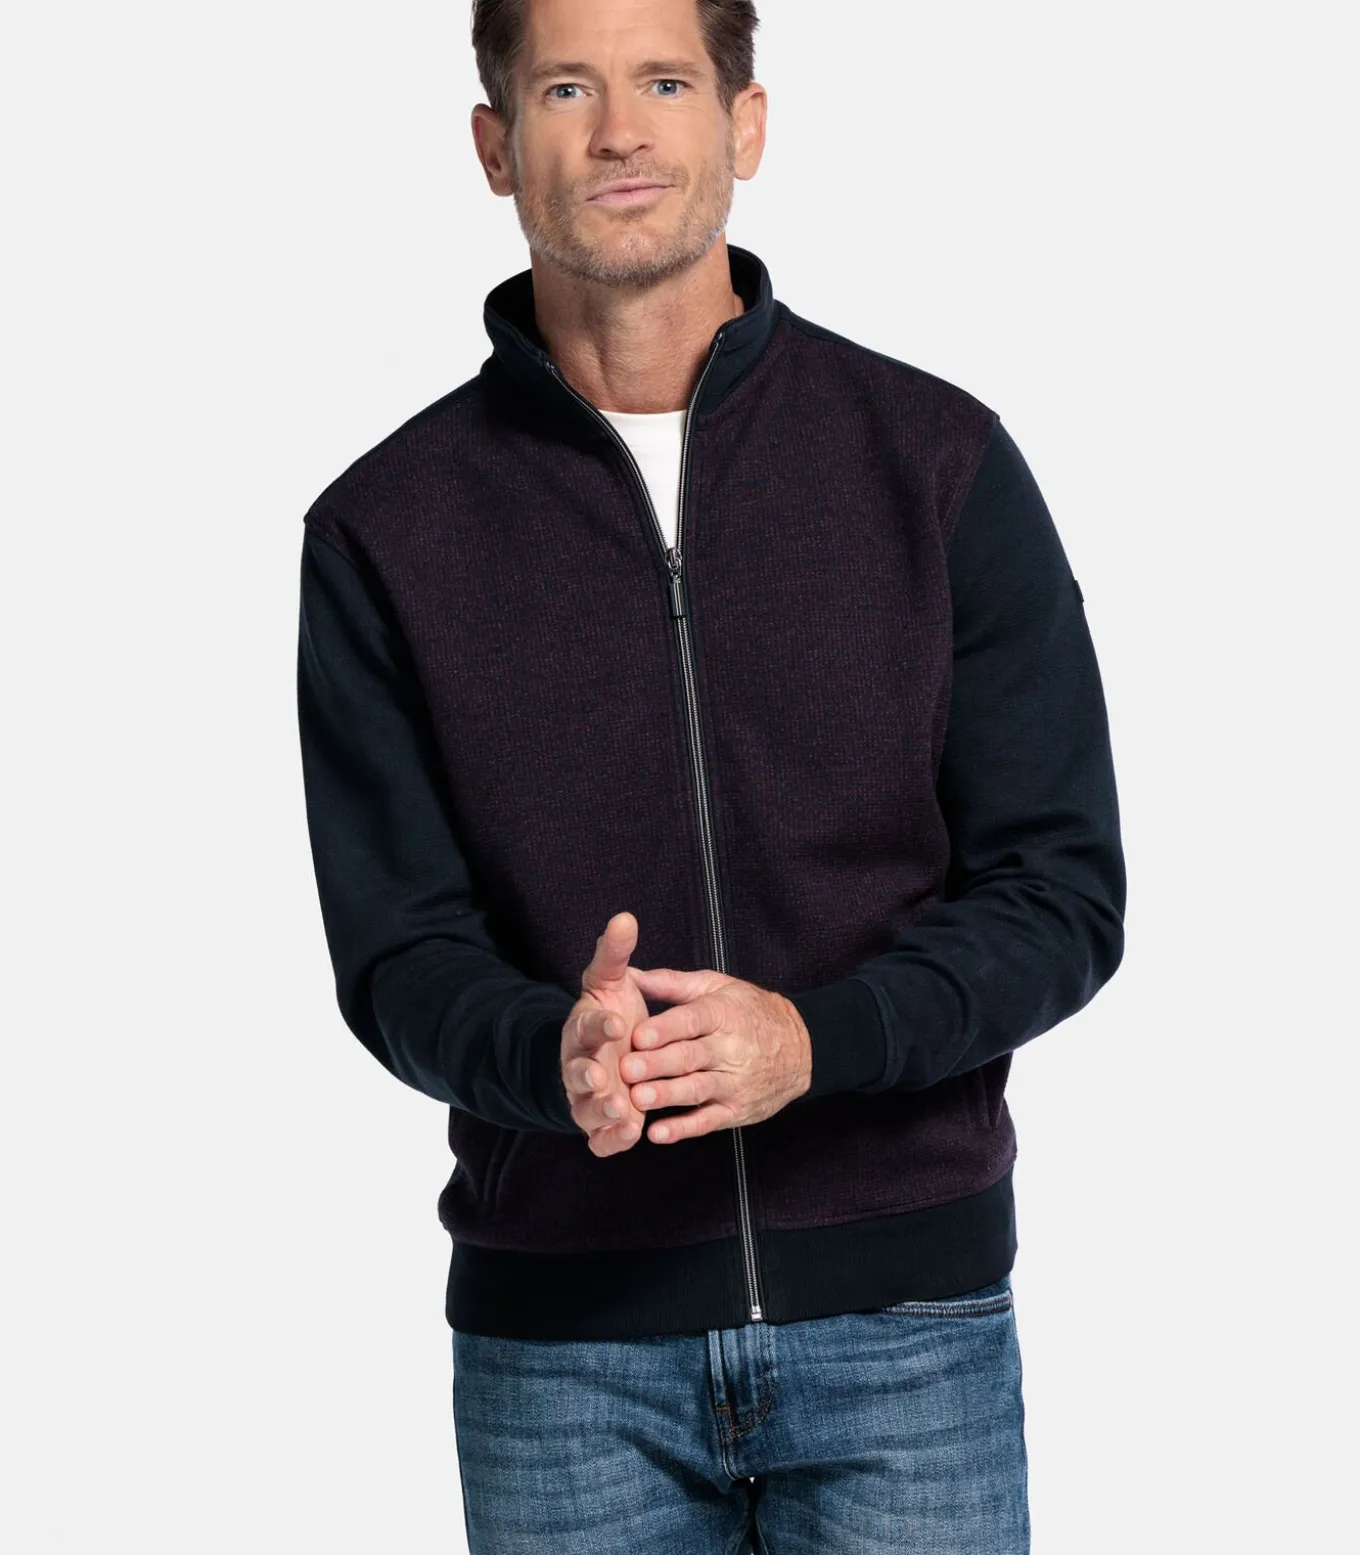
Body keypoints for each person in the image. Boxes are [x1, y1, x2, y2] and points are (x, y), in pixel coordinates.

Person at [295, 0, 1126, 1549]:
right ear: (495, 146)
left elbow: (1061, 894)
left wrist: (815, 1038)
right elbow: (395, 950)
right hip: (565, 1357)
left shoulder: (935, 463)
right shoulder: (385, 529)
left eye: (666, 80)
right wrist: (547, 1055)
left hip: (906, 1330)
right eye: (567, 87)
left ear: (744, 125)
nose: (621, 130)